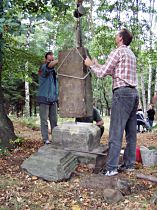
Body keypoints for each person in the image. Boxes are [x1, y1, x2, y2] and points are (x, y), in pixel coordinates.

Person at [84, 28, 139, 176]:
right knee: (131, 133)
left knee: (116, 131)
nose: (115, 37)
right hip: (134, 94)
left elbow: (102, 74)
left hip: (122, 94)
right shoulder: (131, 54)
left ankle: (111, 168)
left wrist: (90, 64)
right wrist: (96, 64)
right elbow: (112, 72)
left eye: (117, 35)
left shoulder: (118, 51)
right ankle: (129, 164)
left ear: (120, 38)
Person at [37, 52, 58, 144]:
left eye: (52, 59)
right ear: (45, 60)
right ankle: (45, 139)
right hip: (44, 99)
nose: (51, 61)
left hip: (53, 100)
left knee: (54, 121)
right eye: (49, 60)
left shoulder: (53, 72)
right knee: (44, 121)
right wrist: (60, 59)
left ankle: (56, 138)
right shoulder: (43, 68)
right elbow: (49, 66)